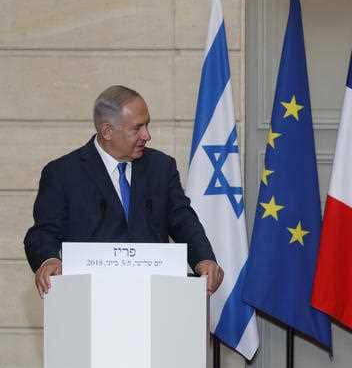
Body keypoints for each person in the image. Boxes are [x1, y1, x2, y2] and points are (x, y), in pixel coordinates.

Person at [24, 85, 223, 297]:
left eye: (147, 125)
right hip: (89, 300)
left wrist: (204, 258)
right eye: (137, 128)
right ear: (107, 131)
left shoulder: (161, 167)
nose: (147, 135)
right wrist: (49, 259)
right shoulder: (63, 173)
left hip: (156, 299)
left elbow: (183, 220)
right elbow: (43, 231)